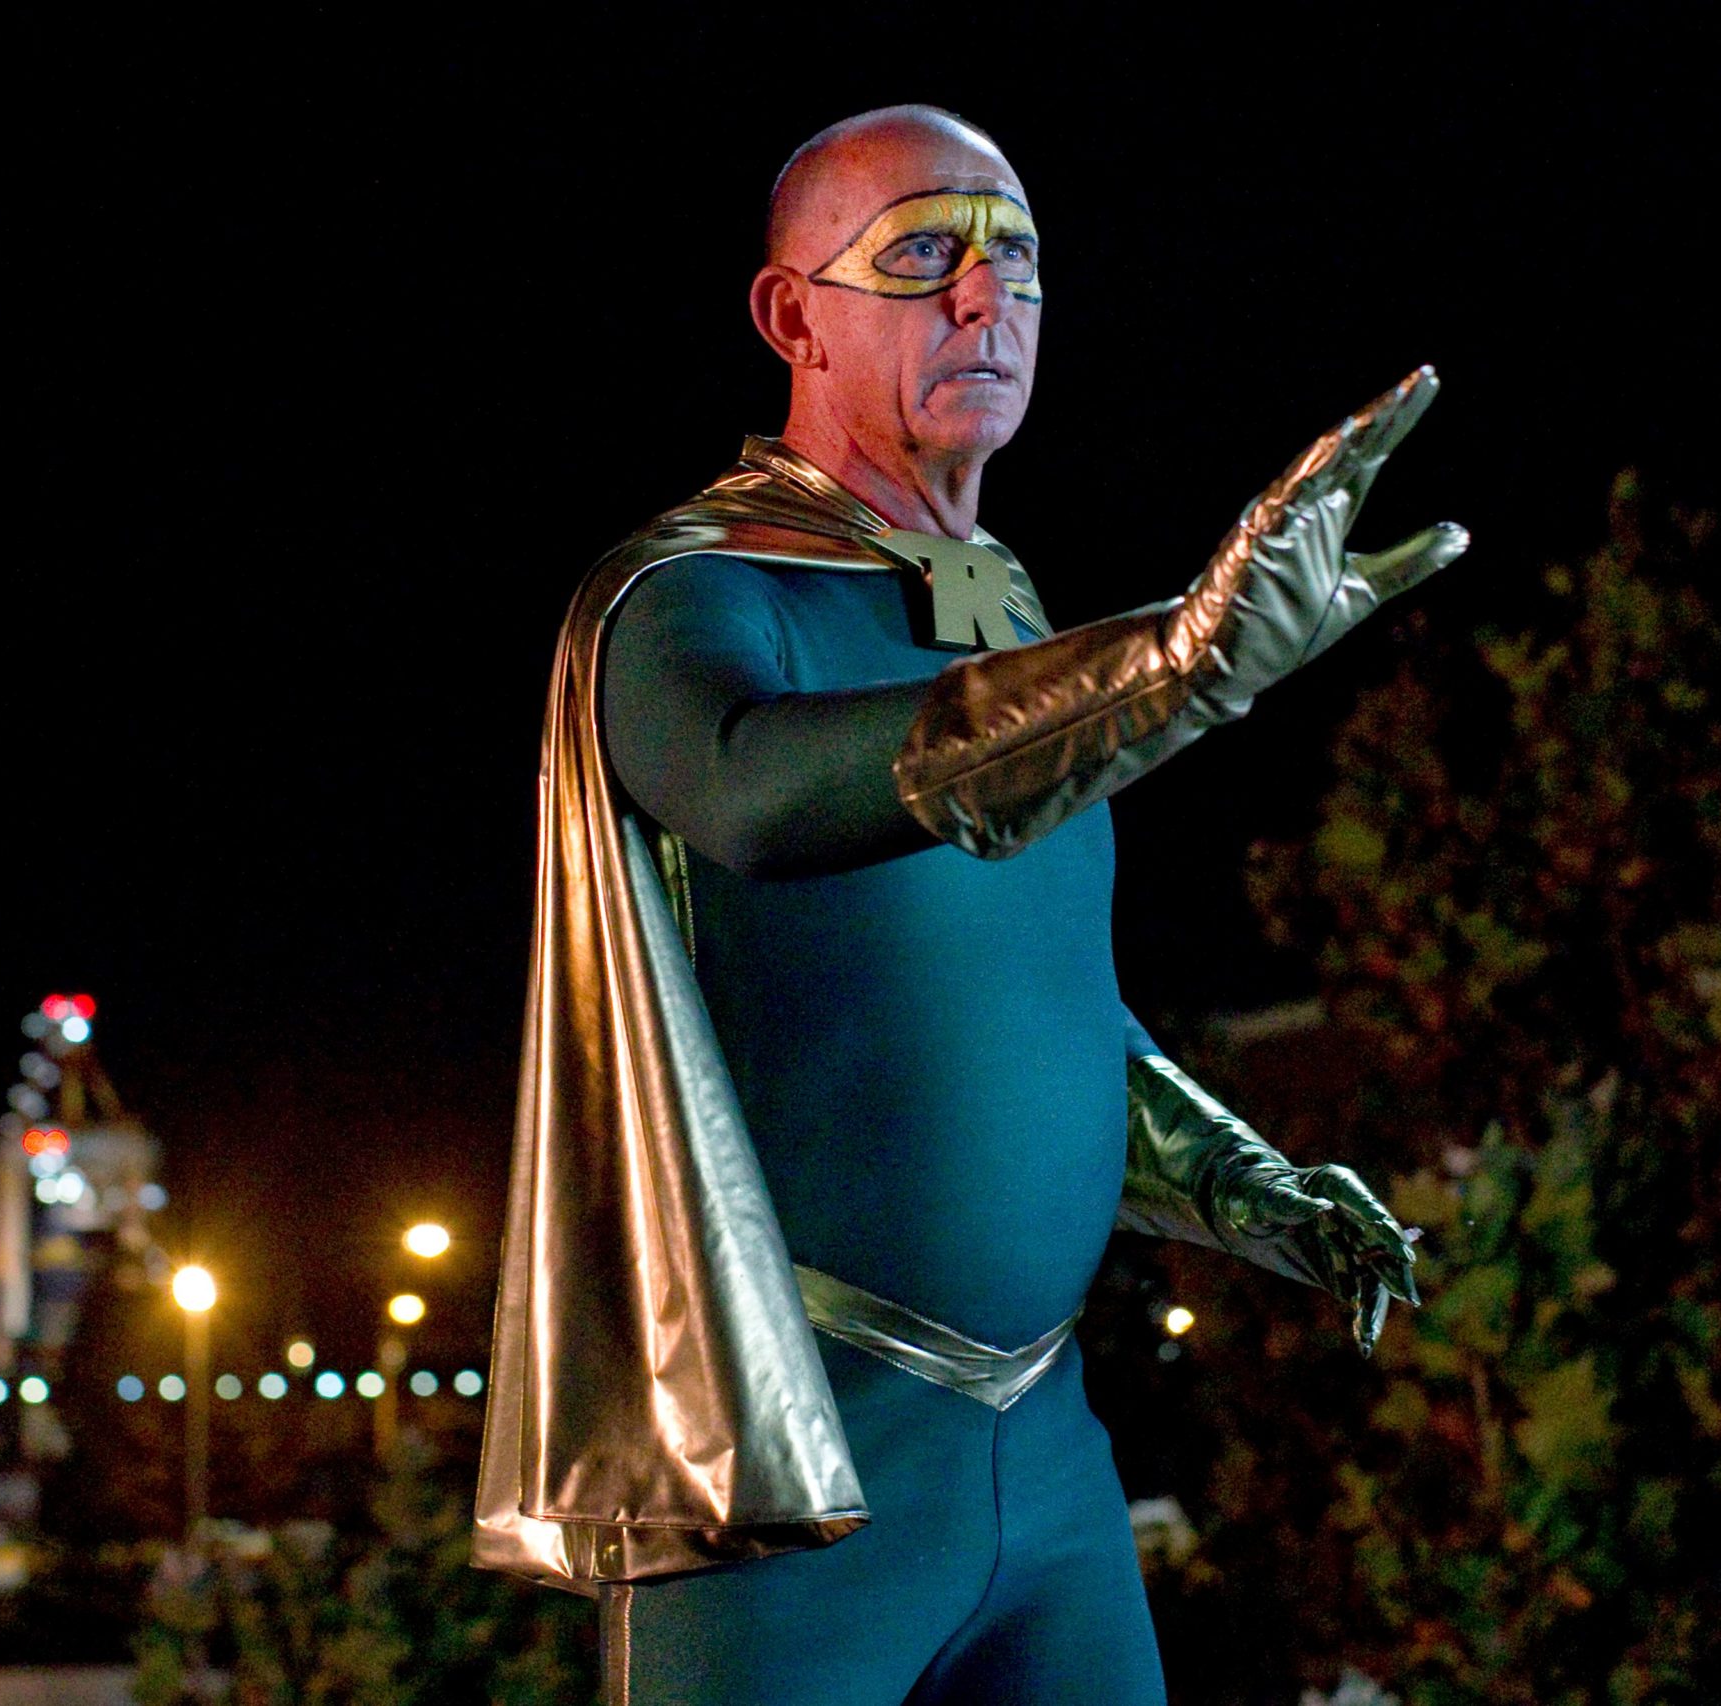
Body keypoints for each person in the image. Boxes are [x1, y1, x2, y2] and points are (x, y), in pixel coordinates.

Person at [475, 104, 1468, 1705]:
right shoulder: (679, 595)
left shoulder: (1008, 623)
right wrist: (1171, 668)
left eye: (1016, 256)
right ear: (792, 315)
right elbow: (753, 789)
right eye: (924, 250)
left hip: (1046, 1453)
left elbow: (1051, 1016)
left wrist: (1251, 1186)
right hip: (791, 1468)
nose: (984, 295)